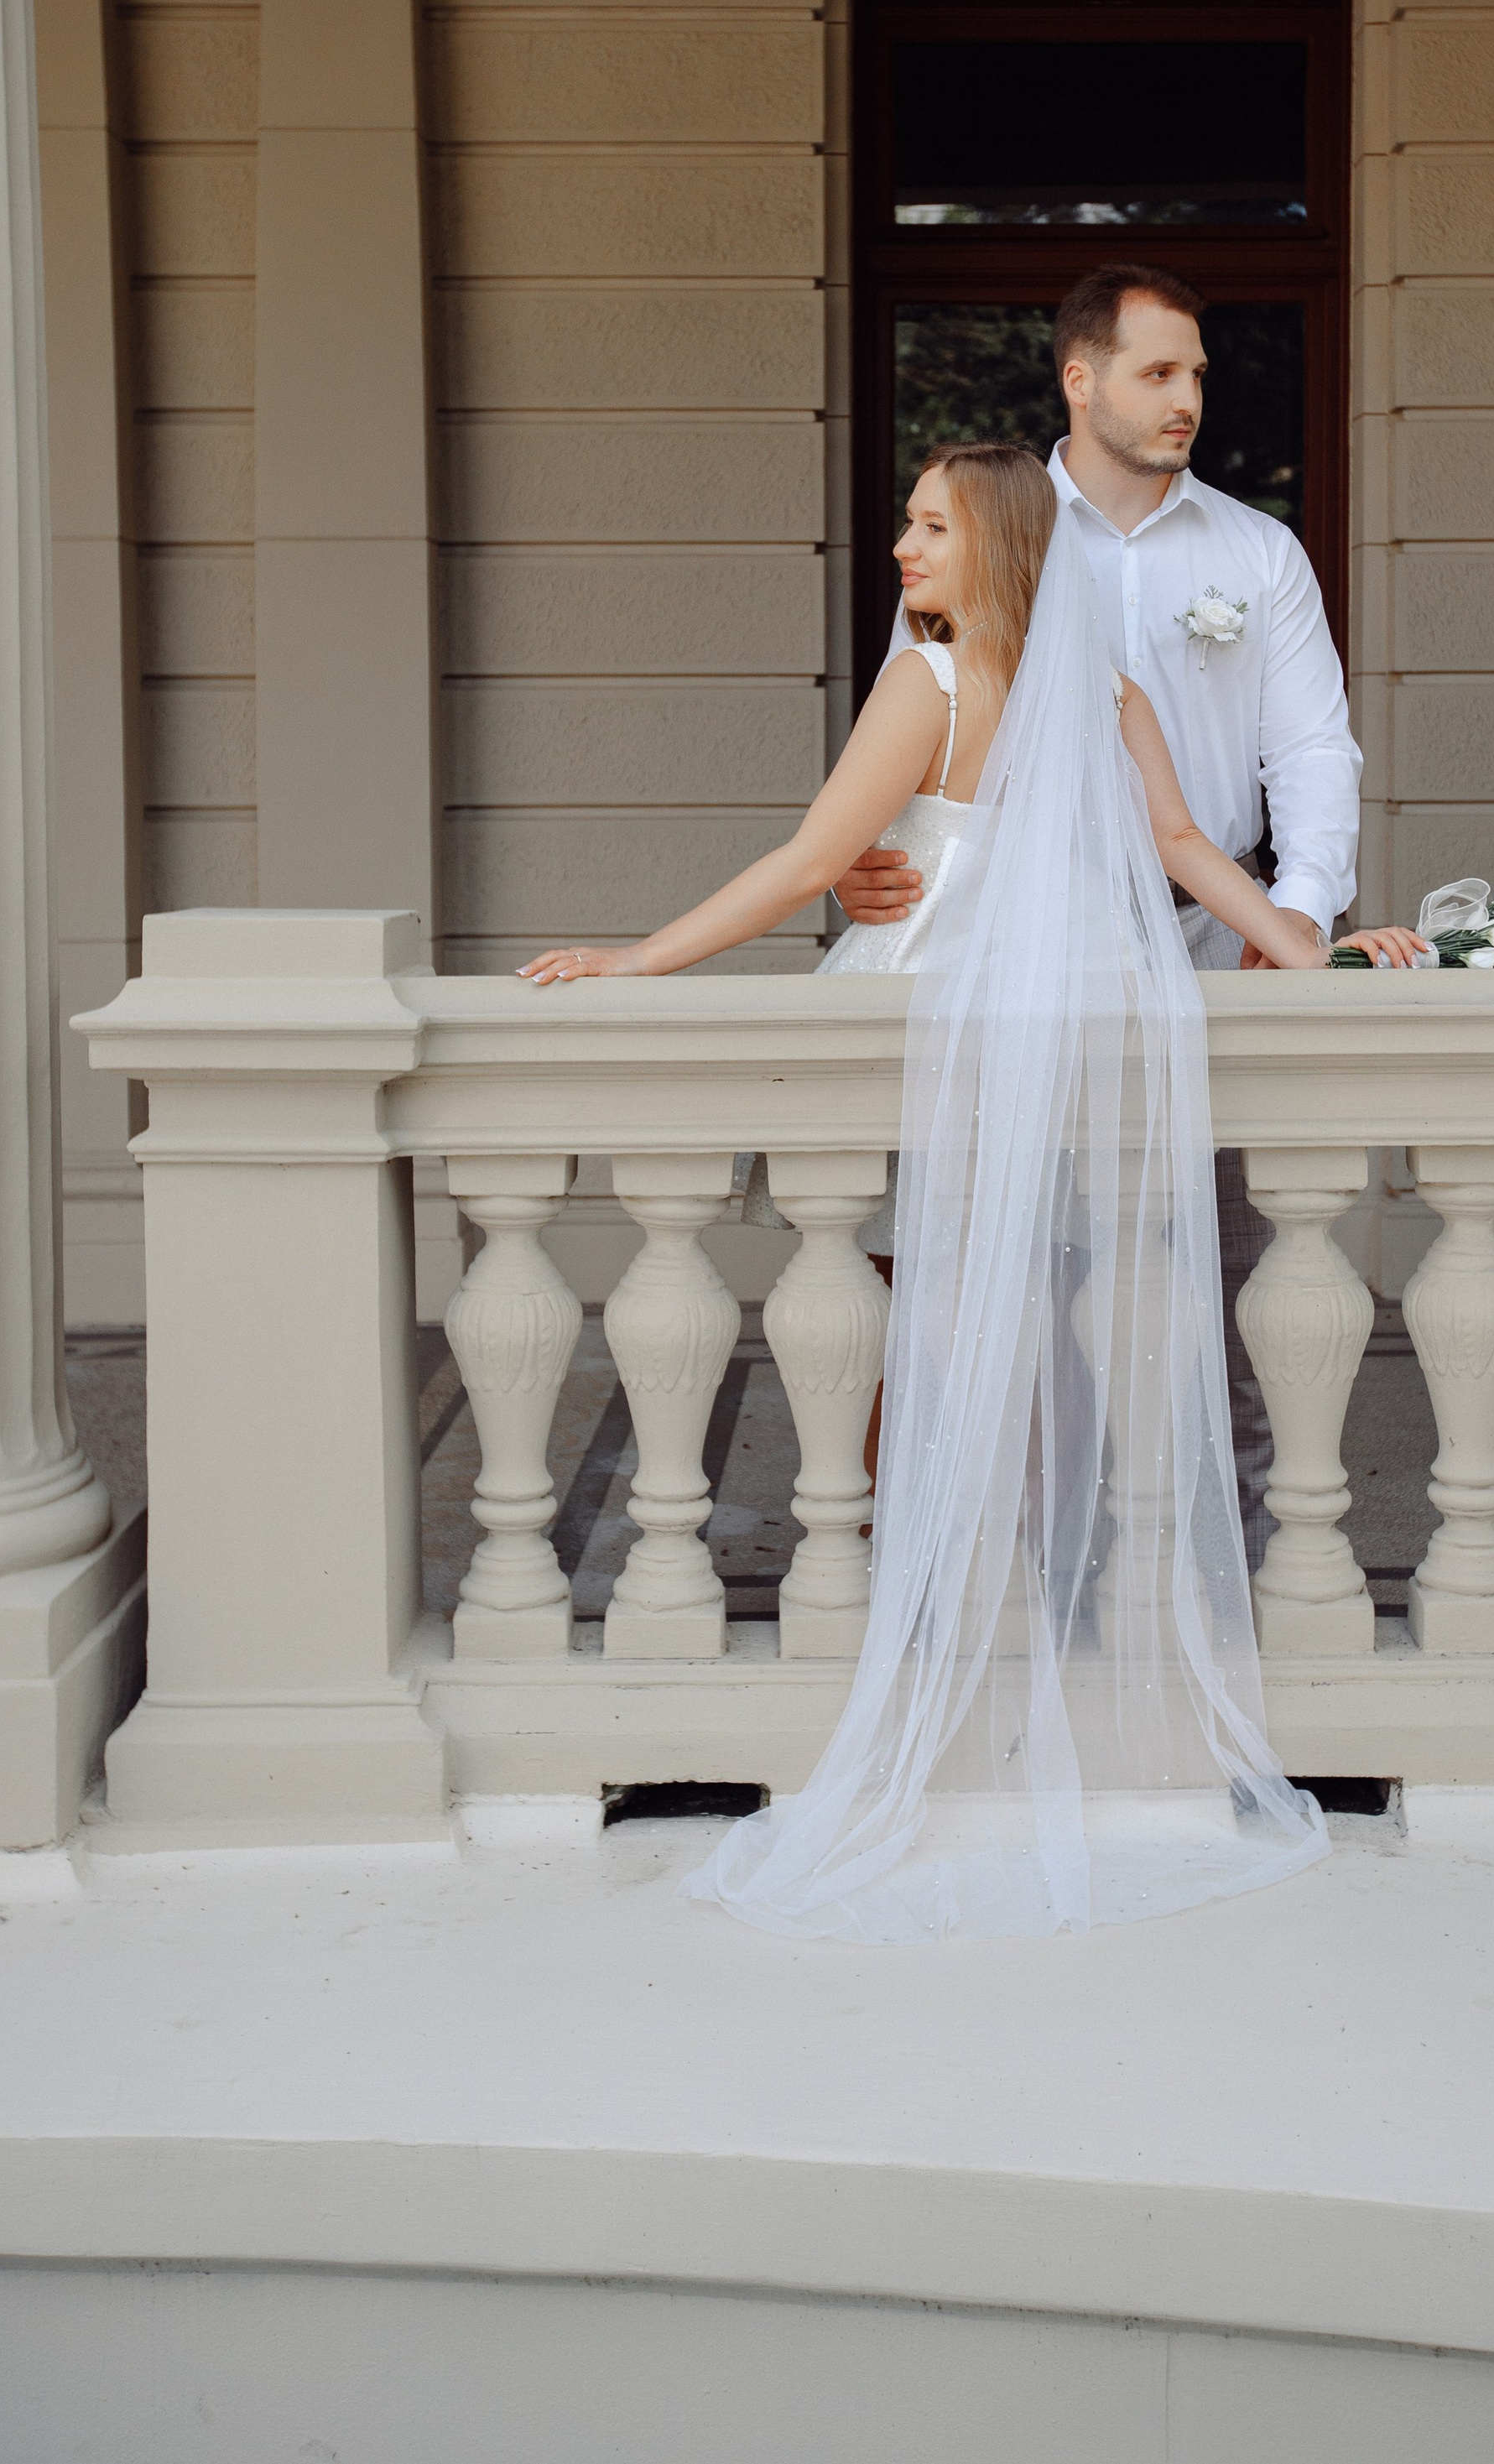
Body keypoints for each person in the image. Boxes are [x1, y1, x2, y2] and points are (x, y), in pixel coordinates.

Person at [523, 441, 1331, 1940]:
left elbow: (811, 859)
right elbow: (1183, 853)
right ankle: (999, 1602)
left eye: (932, 526)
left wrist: (639, 959)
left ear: (1000, 545)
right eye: (907, 524)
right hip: (1060, 1017)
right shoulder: (1104, 692)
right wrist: (1299, 944)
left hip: (945, 1020)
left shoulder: (934, 679)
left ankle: (945, 1606)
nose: (905, 548)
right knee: (1000, 1311)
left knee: (938, 1313)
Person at [835, 263, 1423, 976]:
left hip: (1225, 927)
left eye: (1197, 375)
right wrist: (853, 860)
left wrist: (1298, 911)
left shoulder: (1263, 551)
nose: (1188, 401)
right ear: (1079, 382)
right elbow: (916, 723)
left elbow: (1312, 750)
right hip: (1030, 935)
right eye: (1159, 374)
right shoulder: (979, 543)